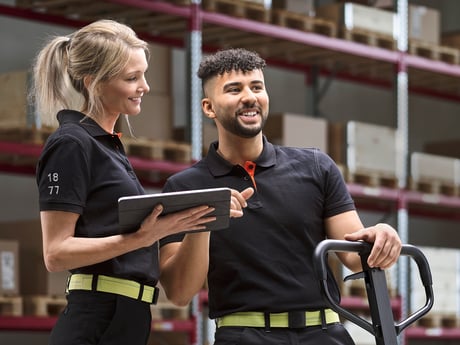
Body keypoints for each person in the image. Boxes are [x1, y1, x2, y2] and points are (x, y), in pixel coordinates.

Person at [158, 48, 402, 345]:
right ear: (209, 108)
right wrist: (204, 222)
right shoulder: (184, 186)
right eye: (234, 89)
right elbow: (180, 292)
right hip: (243, 336)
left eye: (257, 87)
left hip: (324, 334)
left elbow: (354, 256)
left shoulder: (316, 167)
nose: (249, 97)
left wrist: (382, 235)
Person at [33, 20, 248, 345]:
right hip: (98, 315)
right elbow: (56, 253)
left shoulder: (108, 146)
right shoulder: (72, 144)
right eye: (132, 78)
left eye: (144, 75)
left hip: (126, 314)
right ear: (93, 83)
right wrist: (144, 236)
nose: (144, 86)